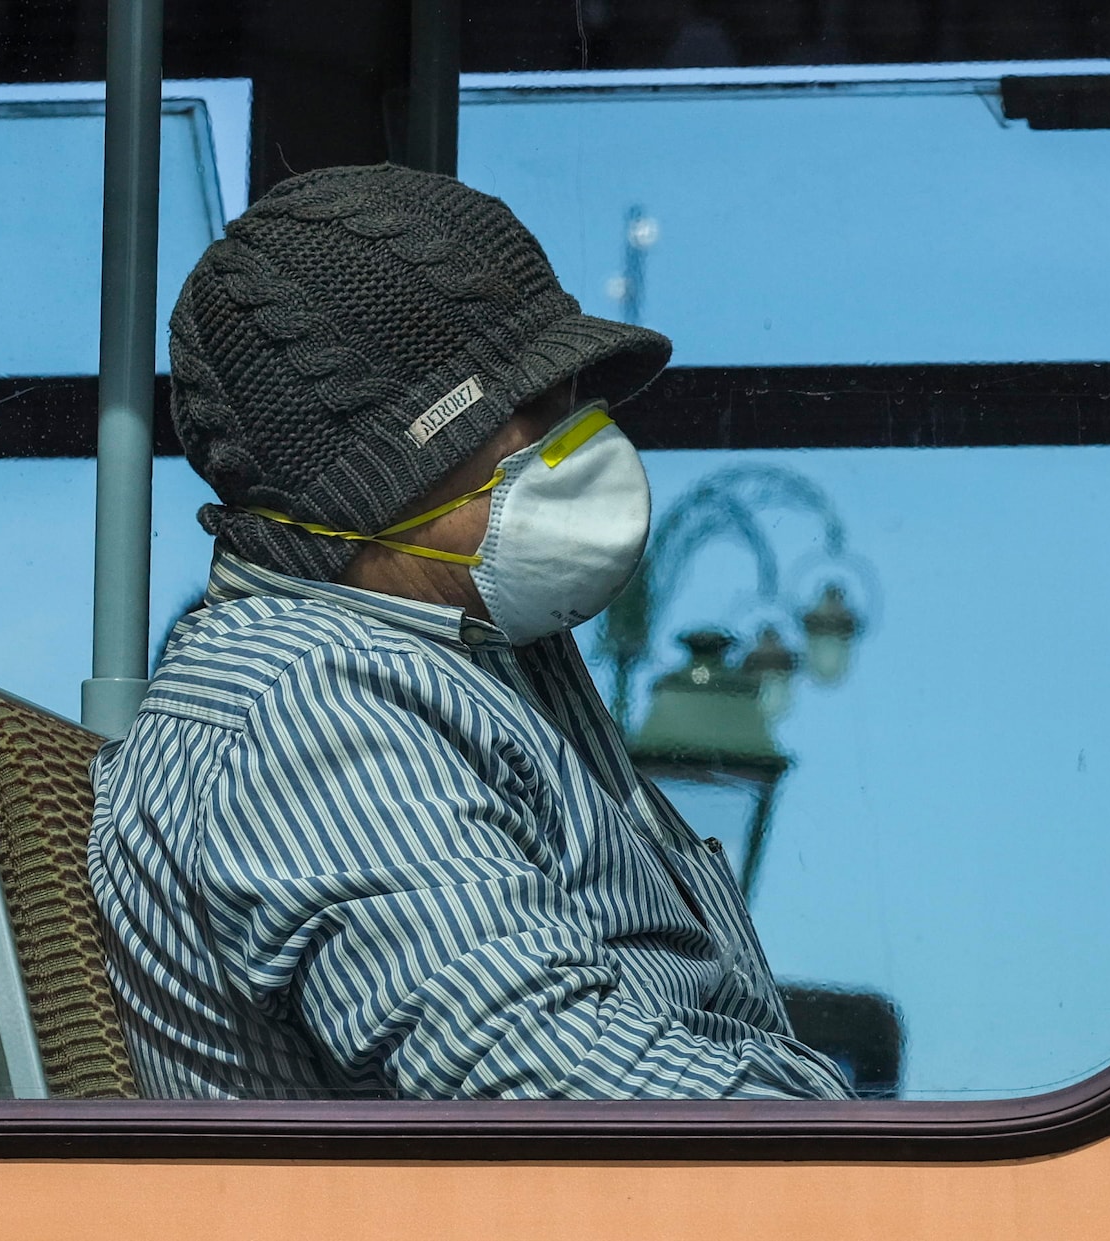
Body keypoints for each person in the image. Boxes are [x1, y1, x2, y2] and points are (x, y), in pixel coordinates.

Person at [88, 164, 850, 1101]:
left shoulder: (470, 655)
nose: (586, 436)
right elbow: (549, 1086)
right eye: (531, 407)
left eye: (576, 396)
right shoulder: (316, 709)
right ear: (386, 469)